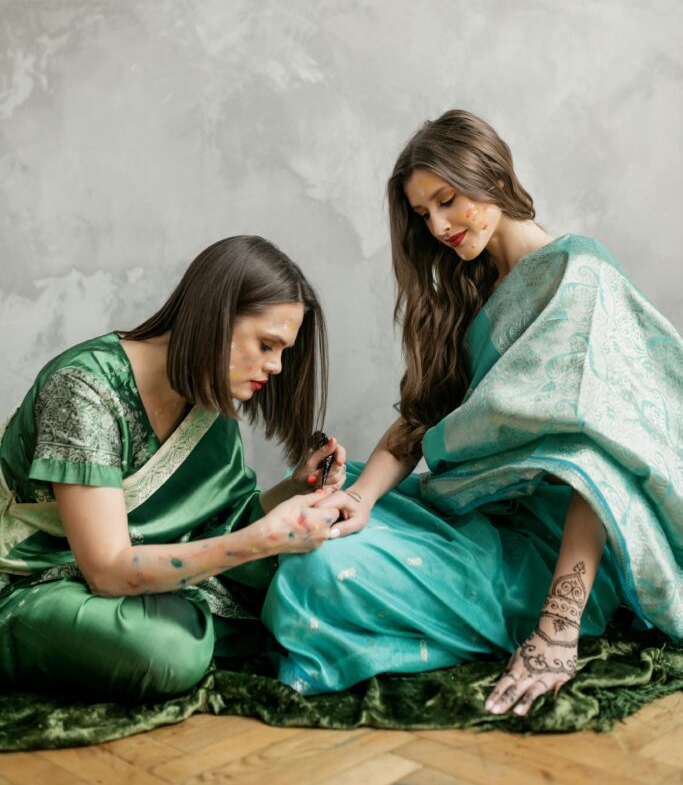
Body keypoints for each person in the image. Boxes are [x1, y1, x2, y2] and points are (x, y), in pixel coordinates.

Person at [263, 110, 682, 716]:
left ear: (490, 174)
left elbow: (594, 456)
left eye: (448, 200)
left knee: (319, 571)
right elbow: (421, 421)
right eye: (421, 214)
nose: (437, 226)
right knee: (309, 513)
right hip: (470, 508)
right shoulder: (466, 290)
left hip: (557, 545)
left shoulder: (578, 275)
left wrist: (558, 630)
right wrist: (362, 500)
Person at [0, 236, 346, 701]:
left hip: (130, 577)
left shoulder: (207, 397)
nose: (277, 366)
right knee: (168, 652)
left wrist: (294, 487)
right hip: (34, 581)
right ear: (216, 318)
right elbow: (105, 571)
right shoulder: (85, 390)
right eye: (267, 344)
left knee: (320, 565)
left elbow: (218, 518)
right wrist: (263, 540)